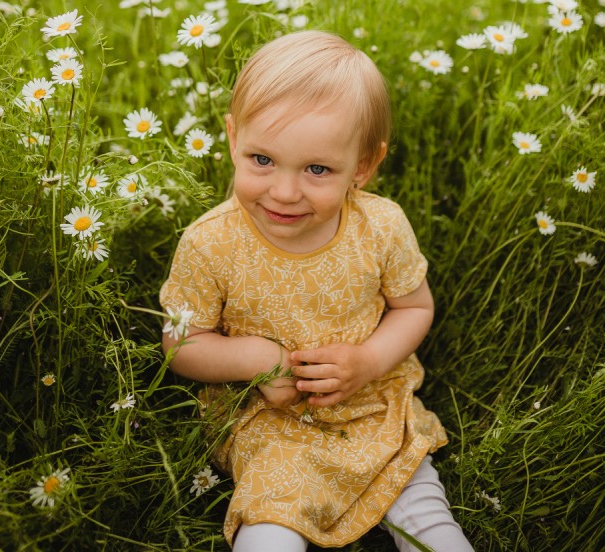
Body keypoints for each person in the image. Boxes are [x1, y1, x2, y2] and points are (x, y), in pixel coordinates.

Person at [160, 31, 473, 552]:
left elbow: (415, 306)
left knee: (425, 514)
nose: (284, 191)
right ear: (233, 138)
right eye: (262, 159)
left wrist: (370, 360)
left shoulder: (381, 226)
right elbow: (181, 345)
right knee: (269, 525)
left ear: (364, 166)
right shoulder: (210, 244)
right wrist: (260, 359)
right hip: (270, 422)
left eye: (317, 169)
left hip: (371, 408)